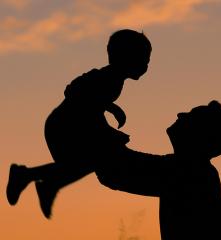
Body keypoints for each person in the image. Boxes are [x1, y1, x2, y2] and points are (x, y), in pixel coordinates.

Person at [6, 29, 152, 219]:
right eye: (143, 59)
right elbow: (77, 94)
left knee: (84, 164)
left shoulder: (111, 79)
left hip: (67, 127)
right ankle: (31, 178)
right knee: (92, 160)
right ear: (125, 57)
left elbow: (89, 102)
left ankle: (45, 183)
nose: (146, 65)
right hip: (64, 128)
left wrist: (109, 108)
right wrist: (108, 130)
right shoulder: (109, 78)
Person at [95, 100, 221, 240]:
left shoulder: (189, 172)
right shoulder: (195, 170)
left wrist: (92, 109)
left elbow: (114, 169)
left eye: (191, 115)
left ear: (200, 134)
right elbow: (115, 168)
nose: (180, 114)